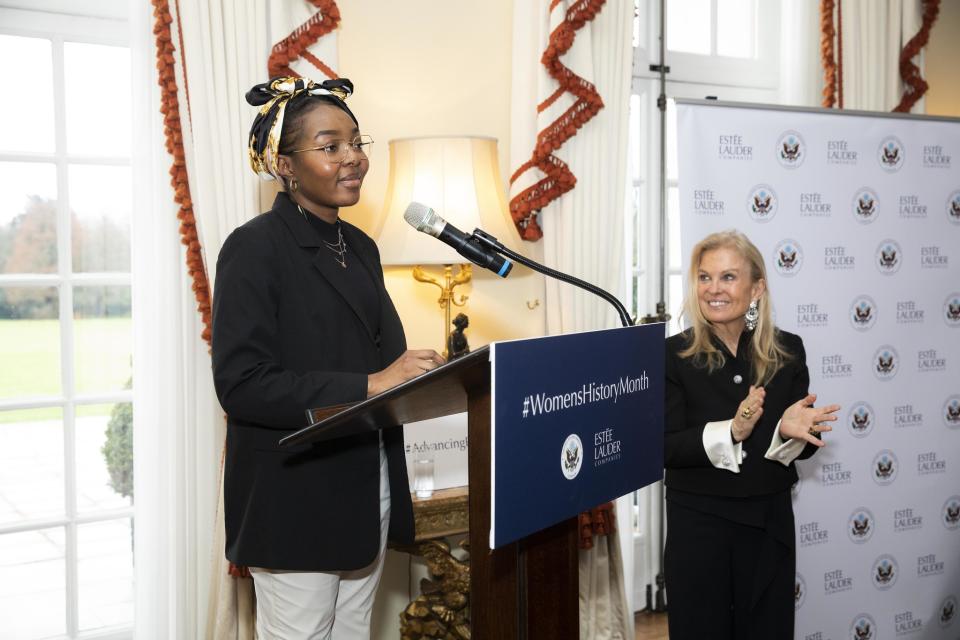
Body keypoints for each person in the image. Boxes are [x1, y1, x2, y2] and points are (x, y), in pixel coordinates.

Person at [211, 76, 445, 640]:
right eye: (330, 146)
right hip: (295, 498)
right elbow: (242, 384)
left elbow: (385, 361)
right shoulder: (253, 248)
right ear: (285, 166)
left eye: (357, 143)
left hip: (368, 489)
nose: (354, 158)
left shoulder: (360, 246)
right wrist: (372, 383)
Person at [663, 230, 840, 639]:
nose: (713, 290)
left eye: (728, 277)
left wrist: (790, 433)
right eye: (704, 278)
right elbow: (665, 446)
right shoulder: (672, 355)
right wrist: (732, 430)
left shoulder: (789, 351)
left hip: (767, 523)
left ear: (757, 287)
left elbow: (803, 451)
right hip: (698, 525)